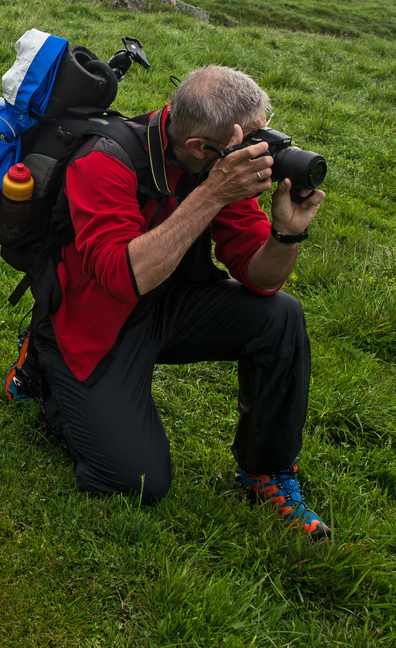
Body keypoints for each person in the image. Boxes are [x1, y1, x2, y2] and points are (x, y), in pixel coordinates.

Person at [31, 64, 330, 539]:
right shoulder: (105, 161)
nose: (261, 154)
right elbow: (124, 279)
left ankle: (265, 471)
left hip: (168, 305)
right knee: (136, 481)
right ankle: (43, 364)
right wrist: (212, 194)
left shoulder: (219, 164)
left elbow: (260, 279)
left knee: (281, 316)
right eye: (249, 142)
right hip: (96, 322)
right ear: (198, 147)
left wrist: (287, 235)